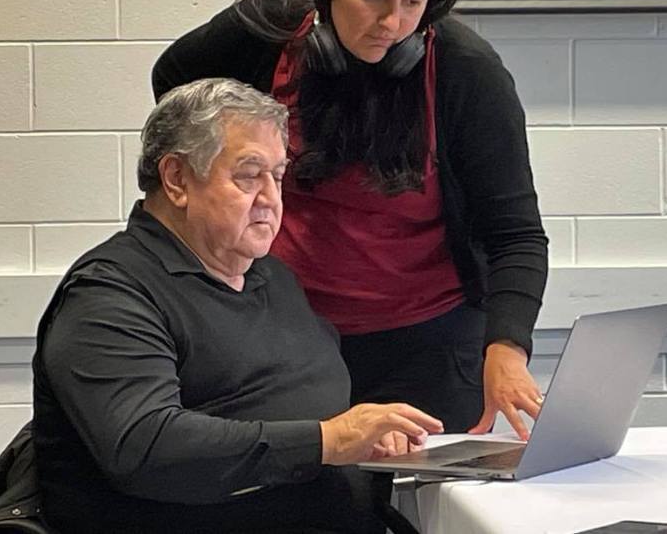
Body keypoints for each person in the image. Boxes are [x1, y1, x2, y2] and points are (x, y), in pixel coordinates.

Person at [152, 0, 549, 440]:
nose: (392, 22)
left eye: (413, 2)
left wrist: (507, 348)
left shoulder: (467, 72)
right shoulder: (266, 34)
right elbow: (173, 84)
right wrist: (228, 166)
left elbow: (516, 235)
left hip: (431, 344)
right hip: (286, 338)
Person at [32, 77, 443, 534]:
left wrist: (369, 436)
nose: (271, 199)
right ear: (177, 179)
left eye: (278, 176)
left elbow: (308, 403)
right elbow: (145, 448)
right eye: (249, 175)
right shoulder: (110, 293)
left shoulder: (273, 277)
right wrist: (328, 440)